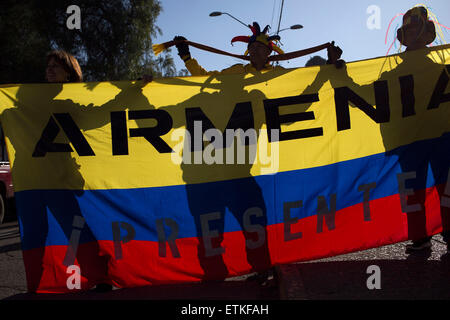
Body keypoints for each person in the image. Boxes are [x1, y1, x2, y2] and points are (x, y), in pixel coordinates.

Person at [173, 22, 286, 76]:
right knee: (197, 121)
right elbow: (205, 79)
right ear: (248, 51)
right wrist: (187, 58)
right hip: (237, 123)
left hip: (272, 122)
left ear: (268, 51)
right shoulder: (237, 72)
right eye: (252, 47)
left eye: (260, 47)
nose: (255, 50)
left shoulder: (279, 74)